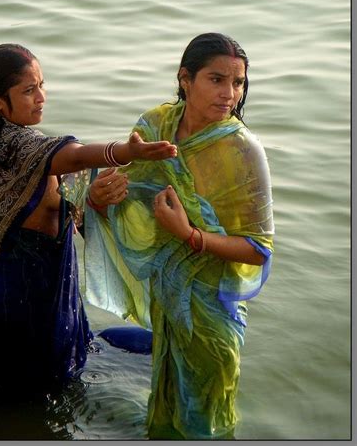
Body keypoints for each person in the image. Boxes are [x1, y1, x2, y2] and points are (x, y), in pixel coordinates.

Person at [0, 43, 177, 394]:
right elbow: (74, 158)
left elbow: (59, 198)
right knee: (48, 392)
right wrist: (126, 152)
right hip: (28, 311)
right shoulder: (24, 148)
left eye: (42, 85)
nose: (41, 97)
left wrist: (93, 198)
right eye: (28, 90)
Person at [84, 33, 274, 439]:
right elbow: (130, 200)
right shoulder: (155, 126)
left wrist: (190, 235)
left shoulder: (243, 152)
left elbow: (258, 250)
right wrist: (99, 197)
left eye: (238, 83)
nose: (230, 94)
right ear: (185, 79)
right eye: (216, 79)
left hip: (212, 312)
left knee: (204, 423)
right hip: (168, 300)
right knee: (167, 414)